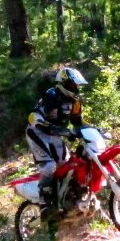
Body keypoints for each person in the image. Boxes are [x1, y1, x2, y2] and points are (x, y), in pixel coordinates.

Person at [26, 67, 88, 219]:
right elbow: (34, 116)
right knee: (49, 166)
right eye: (73, 85)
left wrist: (88, 133)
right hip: (37, 132)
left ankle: (64, 199)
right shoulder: (51, 95)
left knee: (67, 166)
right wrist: (50, 126)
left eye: (77, 86)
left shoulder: (75, 102)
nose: (76, 88)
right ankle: (44, 203)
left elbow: (78, 123)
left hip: (55, 135)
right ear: (64, 83)